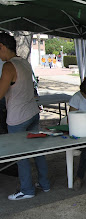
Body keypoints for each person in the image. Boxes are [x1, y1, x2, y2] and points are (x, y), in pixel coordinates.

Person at [0, 32, 51, 200]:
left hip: (17, 117)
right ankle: (45, 184)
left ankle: (27, 189)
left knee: (21, 155)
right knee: (37, 151)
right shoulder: (24, 62)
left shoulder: (8, 66)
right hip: (32, 113)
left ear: (2, 47)